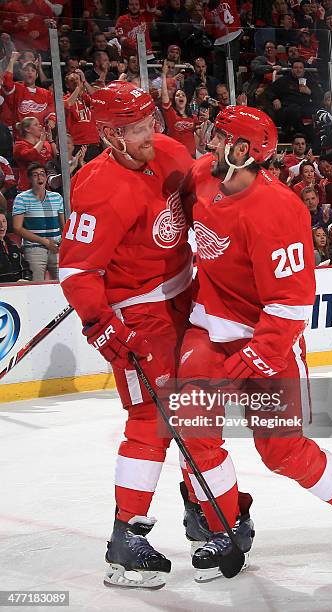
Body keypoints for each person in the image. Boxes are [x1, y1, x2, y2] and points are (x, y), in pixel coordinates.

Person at [178, 106, 332, 579]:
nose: (209, 143)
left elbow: (291, 303)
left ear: (241, 151)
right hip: (207, 326)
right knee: (193, 430)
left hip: (265, 340)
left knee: (282, 452)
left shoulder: (278, 211)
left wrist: (256, 355)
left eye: (219, 138)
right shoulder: (201, 177)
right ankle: (223, 526)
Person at [58, 81, 194, 589]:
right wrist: (100, 321)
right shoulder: (97, 189)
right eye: (136, 130)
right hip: (139, 313)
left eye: (150, 123)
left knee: (197, 405)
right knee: (150, 417)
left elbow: (198, 206)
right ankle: (127, 538)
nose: (149, 136)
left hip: (184, 295)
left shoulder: (171, 151)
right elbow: (76, 272)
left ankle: (203, 508)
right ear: (110, 135)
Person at [12, 162, 64, 282]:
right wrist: (44, 242)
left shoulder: (57, 197)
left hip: (56, 247)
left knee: (62, 282)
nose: (39, 178)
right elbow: (17, 228)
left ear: (46, 177)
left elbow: (63, 224)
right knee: (36, 283)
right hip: (33, 248)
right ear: (30, 179)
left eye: (42, 174)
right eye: (35, 175)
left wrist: (63, 243)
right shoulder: (22, 198)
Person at [0, 208, 32, 283]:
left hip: (18, 288)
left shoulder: (13, 245)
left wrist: (26, 279)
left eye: (4, 221)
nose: (1, 225)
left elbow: (25, 268)